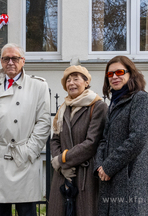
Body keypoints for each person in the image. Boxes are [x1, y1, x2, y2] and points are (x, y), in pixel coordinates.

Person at [0, 43, 51, 216]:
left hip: (23, 158)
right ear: (1, 62)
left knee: (26, 211)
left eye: (15, 58)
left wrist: (29, 150)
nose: (10, 62)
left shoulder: (38, 85)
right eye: (6, 59)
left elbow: (43, 122)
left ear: (23, 61)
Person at [95, 55, 148, 215]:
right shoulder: (114, 104)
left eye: (119, 72)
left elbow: (137, 139)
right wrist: (99, 166)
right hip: (109, 178)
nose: (114, 77)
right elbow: (104, 140)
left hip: (130, 178)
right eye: (110, 74)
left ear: (130, 74)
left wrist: (109, 166)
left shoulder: (140, 99)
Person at [48, 65, 108, 215]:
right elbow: (55, 139)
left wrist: (62, 160)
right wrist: (60, 164)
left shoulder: (98, 106)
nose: (71, 83)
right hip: (63, 174)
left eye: (76, 79)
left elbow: (91, 143)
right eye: (68, 80)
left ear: (86, 82)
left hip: (85, 175)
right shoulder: (63, 108)